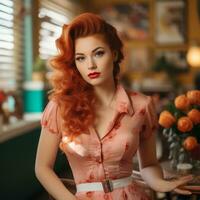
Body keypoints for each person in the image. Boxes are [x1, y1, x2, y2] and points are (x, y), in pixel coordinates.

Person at [35, 12, 194, 200]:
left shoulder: (142, 105)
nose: (91, 65)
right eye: (81, 58)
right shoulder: (60, 107)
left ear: (114, 53)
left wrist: (162, 184)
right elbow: (42, 168)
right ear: (74, 63)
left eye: (98, 53)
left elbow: (149, 165)